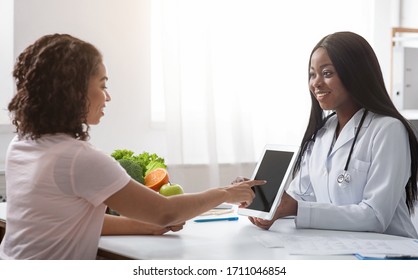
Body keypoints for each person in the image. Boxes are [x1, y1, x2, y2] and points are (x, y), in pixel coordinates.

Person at [0, 34, 265, 260]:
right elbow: (165, 211)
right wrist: (225, 193)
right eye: (102, 85)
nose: (108, 96)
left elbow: (70, 222)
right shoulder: (77, 158)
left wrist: (146, 227)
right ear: (74, 92)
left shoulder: (22, 143)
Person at [247, 31, 418, 238]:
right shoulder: (322, 132)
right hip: (340, 244)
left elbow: (375, 216)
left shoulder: (388, 130)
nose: (316, 83)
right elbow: (301, 195)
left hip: (390, 249)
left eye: (327, 73)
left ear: (355, 74)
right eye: (312, 74)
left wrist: (295, 208)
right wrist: (268, 203)